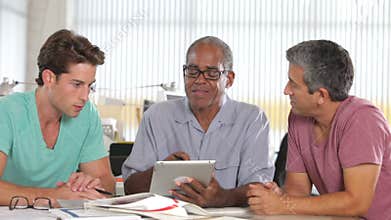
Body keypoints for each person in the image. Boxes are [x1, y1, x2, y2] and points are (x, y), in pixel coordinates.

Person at [122, 36, 274, 207]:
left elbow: (260, 189)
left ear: (229, 79)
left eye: (211, 73)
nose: (199, 80)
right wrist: (160, 171)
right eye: (193, 71)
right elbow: (130, 187)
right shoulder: (156, 116)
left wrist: (224, 198)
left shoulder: (252, 119)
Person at [247, 40, 391, 219]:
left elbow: (357, 203)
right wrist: (278, 197)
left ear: (321, 95)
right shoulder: (298, 117)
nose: (286, 90)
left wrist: (283, 204)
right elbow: (297, 192)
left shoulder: (363, 119)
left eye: (294, 84)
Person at [0, 29, 115, 207]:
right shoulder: (6, 111)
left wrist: (91, 185)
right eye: (76, 84)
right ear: (49, 78)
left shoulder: (88, 114)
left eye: (89, 86)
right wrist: (53, 197)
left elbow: (108, 185)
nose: (85, 96)